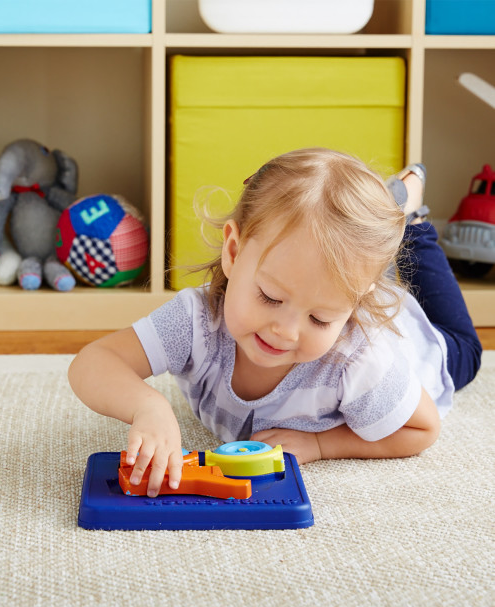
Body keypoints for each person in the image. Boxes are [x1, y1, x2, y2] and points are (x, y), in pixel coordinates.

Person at [68, 148, 482, 497]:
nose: (284, 331)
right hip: (361, 289)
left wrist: (321, 444)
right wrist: (147, 406)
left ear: (352, 309)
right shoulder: (196, 322)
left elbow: (422, 428)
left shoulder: (358, 363)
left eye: (319, 318)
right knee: (363, 263)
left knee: (467, 349)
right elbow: (94, 362)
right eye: (270, 297)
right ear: (233, 251)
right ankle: (388, 214)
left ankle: (412, 218)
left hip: (430, 348)